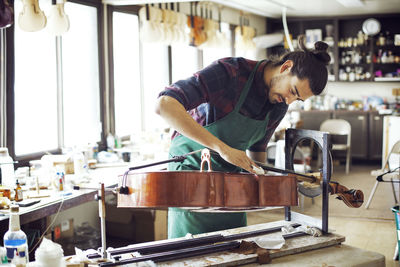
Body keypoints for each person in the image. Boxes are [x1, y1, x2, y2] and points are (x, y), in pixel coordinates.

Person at [155, 36, 331, 239]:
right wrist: (222, 148)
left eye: (297, 99)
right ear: (286, 67)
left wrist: (264, 181)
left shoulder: (279, 104)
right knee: (191, 252)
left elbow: (257, 151)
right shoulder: (230, 72)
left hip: (232, 185)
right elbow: (164, 104)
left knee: (236, 246)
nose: (289, 101)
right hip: (191, 176)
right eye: (292, 91)